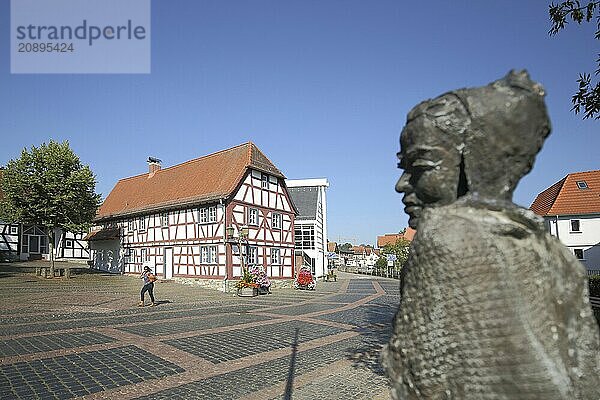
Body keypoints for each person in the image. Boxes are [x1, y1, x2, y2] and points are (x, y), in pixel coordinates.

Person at [383, 71, 600, 399]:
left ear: (475, 164)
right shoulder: (548, 247)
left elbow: (425, 387)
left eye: (421, 166)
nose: (402, 184)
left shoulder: (446, 240)